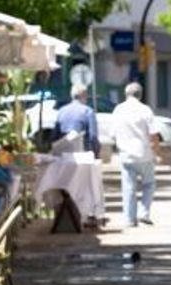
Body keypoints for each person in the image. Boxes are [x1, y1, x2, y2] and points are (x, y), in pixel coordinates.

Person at [112, 82, 161, 227]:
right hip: (144, 154)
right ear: (141, 95)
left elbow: (112, 134)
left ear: (126, 94)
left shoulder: (118, 110)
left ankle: (129, 219)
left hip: (126, 155)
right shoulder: (145, 110)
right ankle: (143, 213)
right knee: (149, 184)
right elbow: (154, 134)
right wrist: (157, 152)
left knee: (128, 188)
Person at [55, 83, 100, 154]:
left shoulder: (61, 111)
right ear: (84, 95)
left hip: (63, 153)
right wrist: (96, 153)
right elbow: (93, 137)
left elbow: (55, 136)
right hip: (82, 154)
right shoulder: (88, 111)